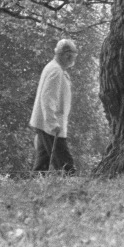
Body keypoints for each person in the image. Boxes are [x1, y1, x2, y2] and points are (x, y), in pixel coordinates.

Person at [29, 39, 78, 173]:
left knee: (42, 164)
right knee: (65, 163)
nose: (72, 59)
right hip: (50, 125)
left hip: (46, 124)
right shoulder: (55, 70)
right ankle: (72, 189)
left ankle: (35, 188)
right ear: (65, 54)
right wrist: (52, 123)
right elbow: (47, 98)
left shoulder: (55, 68)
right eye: (72, 56)